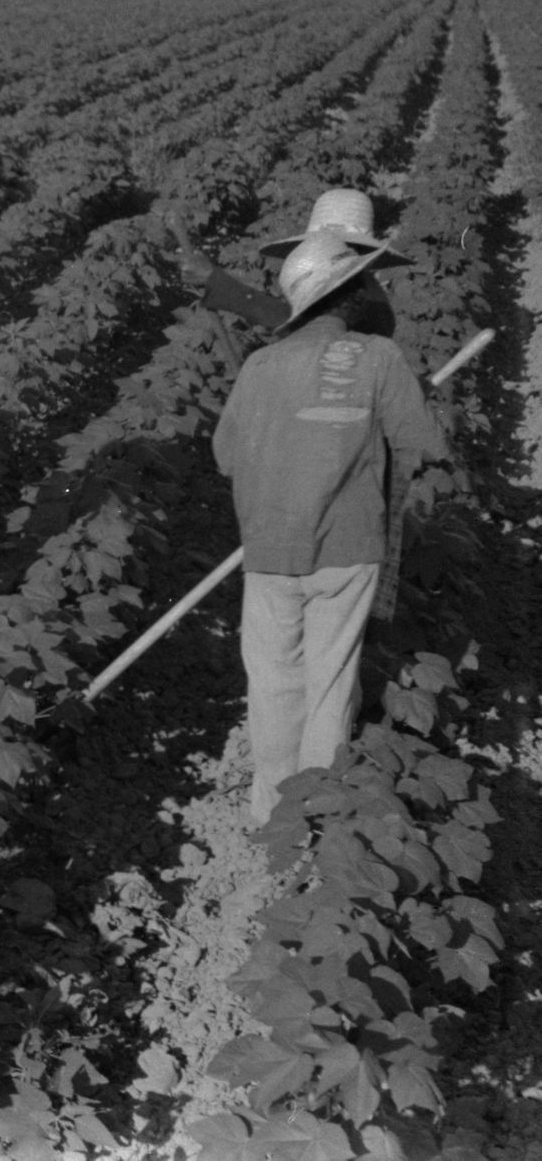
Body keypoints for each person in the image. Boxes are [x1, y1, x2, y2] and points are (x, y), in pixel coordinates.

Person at [212, 233, 448, 824]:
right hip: (346, 550)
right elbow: (424, 445)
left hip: (267, 552)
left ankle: (270, 818)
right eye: (368, 281)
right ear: (349, 294)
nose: (376, 289)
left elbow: (225, 456)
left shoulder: (260, 364)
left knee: (273, 686)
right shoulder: (378, 357)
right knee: (330, 686)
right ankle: (315, 819)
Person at [173, 188, 406, 335]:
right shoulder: (356, 284)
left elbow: (295, 325)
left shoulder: (361, 295)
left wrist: (214, 278)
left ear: (355, 249)